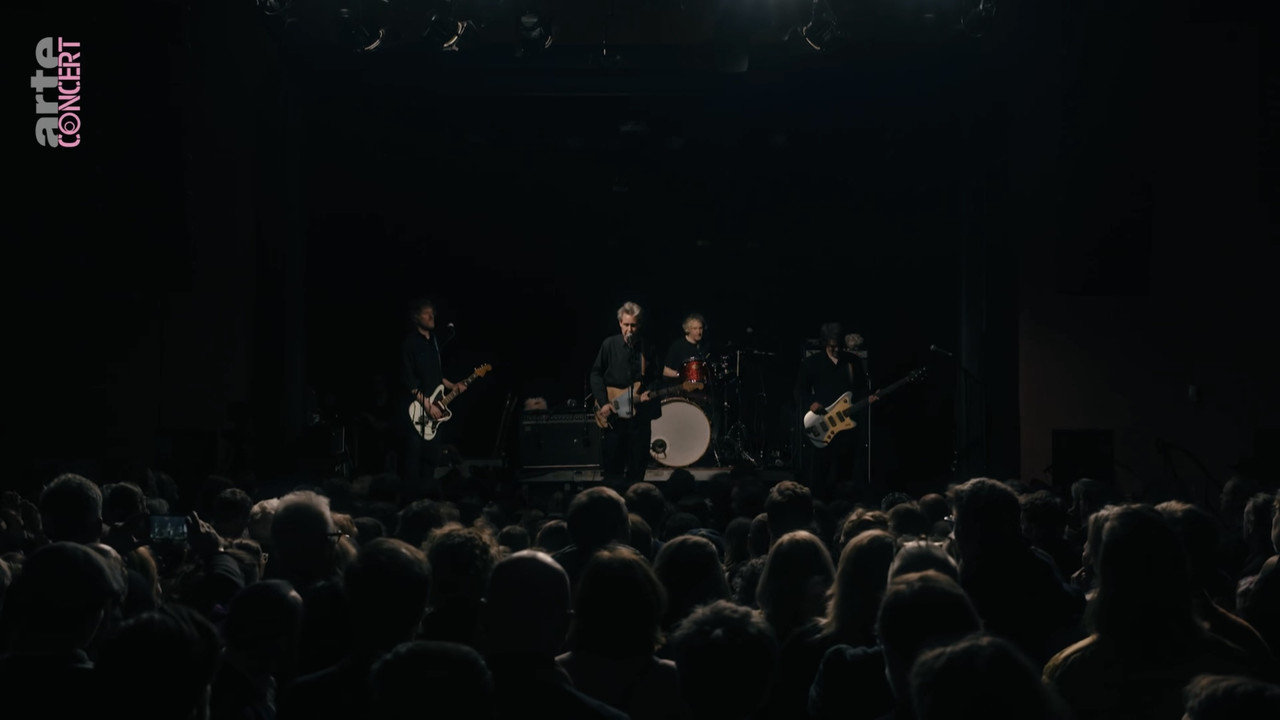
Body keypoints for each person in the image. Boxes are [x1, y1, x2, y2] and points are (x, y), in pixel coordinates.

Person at [400, 298, 467, 498]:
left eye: (433, 313)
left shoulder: (435, 342)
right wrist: (428, 405)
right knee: (413, 461)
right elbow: (409, 382)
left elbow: (437, 376)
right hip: (417, 410)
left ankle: (428, 501)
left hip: (434, 410)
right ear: (416, 317)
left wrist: (453, 386)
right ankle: (411, 502)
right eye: (427, 313)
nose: (432, 317)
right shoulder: (409, 344)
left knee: (431, 459)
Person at [591, 301, 661, 486]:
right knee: (613, 468)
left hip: (639, 417)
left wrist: (649, 391)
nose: (629, 329)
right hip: (614, 416)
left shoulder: (647, 347)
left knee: (637, 468)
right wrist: (603, 401)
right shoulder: (609, 345)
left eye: (633, 325)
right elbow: (596, 373)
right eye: (626, 324)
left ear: (640, 325)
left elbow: (656, 377)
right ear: (620, 323)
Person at [796, 322, 869, 499]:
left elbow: (861, 390)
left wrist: (867, 400)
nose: (837, 350)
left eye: (839, 346)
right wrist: (811, 403)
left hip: (847, 427)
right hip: (822, 424)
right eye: (832, 346)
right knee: (819, 474)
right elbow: (799, 389)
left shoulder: (853, 362)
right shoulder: (813, 363)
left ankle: (843, 508)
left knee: (845, 475)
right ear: (824, 343)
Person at [663, 313, 708, 380]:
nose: (698, 332)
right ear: (688, 329)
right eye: (695, 329)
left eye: (700, 328)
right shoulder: (678, 346)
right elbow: (665, 371)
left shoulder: (705, 345)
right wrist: (681, 374)